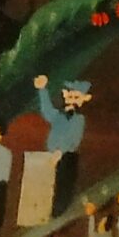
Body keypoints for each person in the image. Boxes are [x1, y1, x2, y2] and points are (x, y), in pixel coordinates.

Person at [35, 75, 91, 203]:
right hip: (52, 156)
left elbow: (74, 138)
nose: (71, 101)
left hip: (67, 158)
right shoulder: (59, 117)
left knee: (63, 190)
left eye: (76, 98)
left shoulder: (79, 119)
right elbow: (47, 111)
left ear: (83, 99)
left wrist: (60, 152)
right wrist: (42, 90)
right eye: (70, 97)